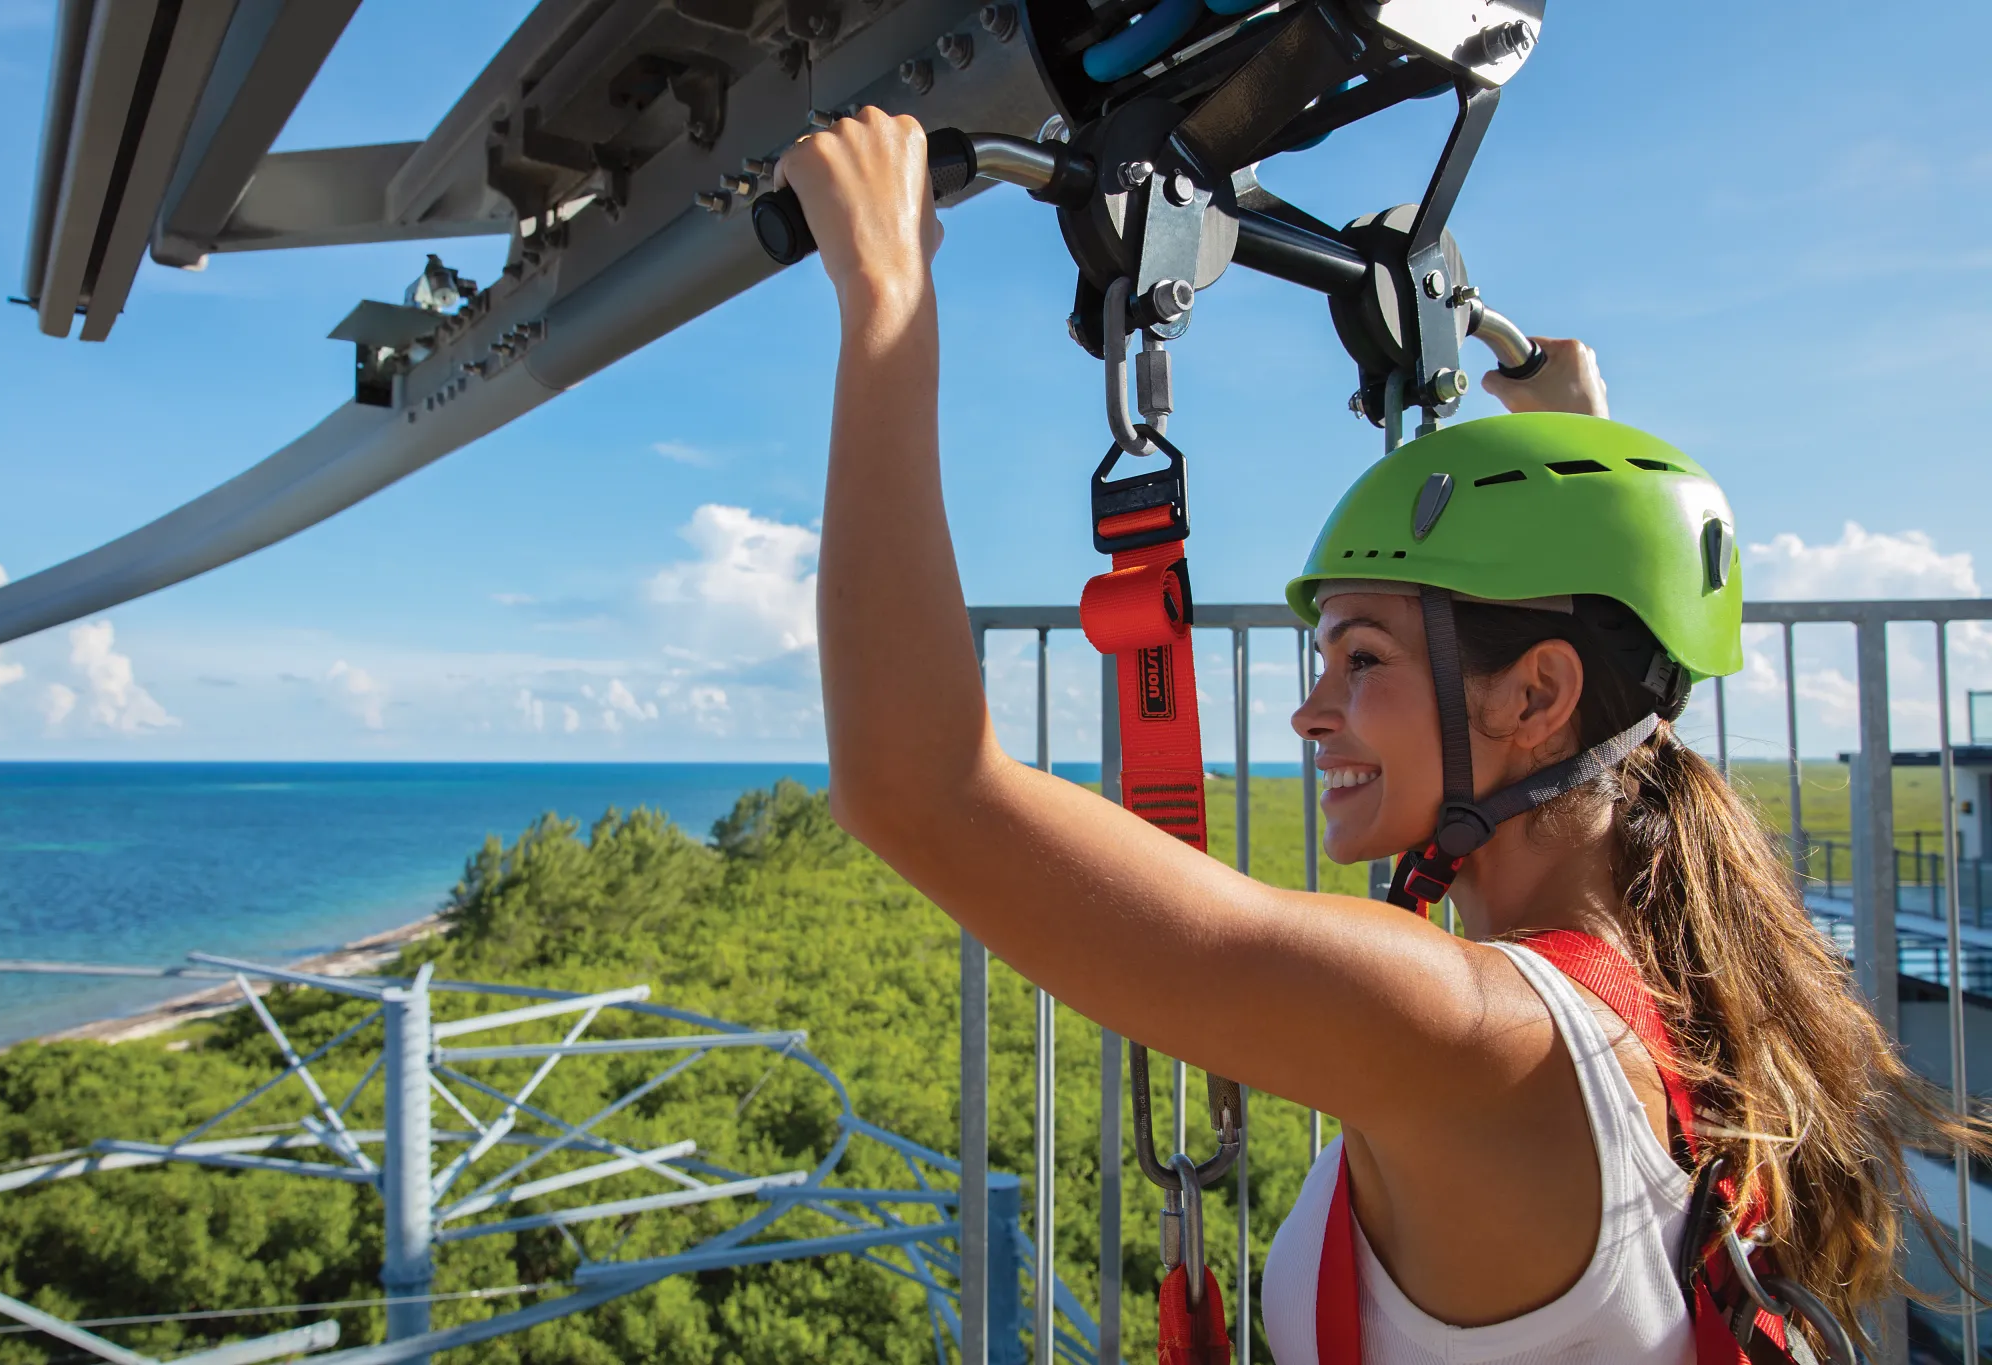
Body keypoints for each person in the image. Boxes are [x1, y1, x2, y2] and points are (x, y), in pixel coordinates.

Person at [778, 107, 1984, 1360]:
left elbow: (914, 788)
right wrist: (1569, 439)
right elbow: (1640, 703)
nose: (1308, 712)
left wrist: (884, 295)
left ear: (1536, 698)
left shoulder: (1475, 1036)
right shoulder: (1683, 1005)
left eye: (1360, 659)